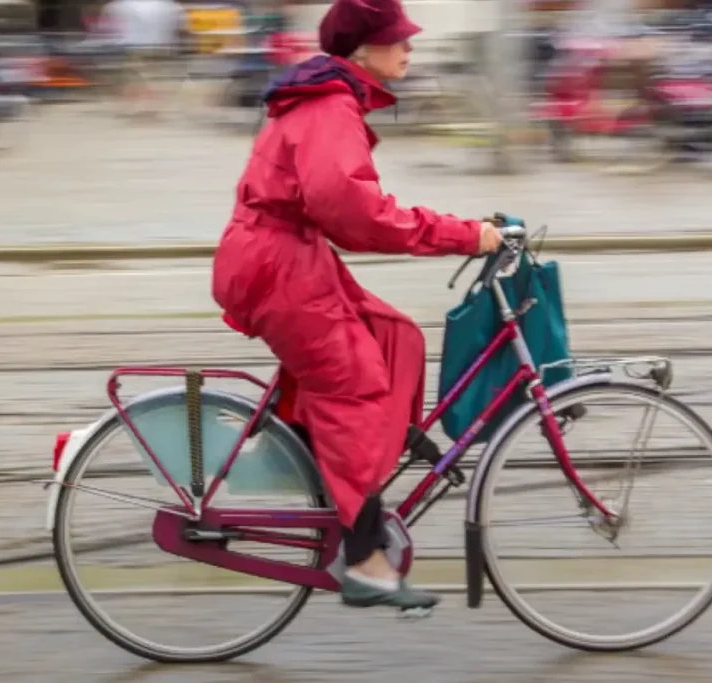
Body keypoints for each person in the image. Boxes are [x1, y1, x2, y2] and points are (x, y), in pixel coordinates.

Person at [211, 0, 503, 611]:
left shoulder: (328, 98)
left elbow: (346, 208)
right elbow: (356, 215)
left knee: (396, 337)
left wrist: (465, 228)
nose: (410, 48)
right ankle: (366, 558)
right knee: (356, 386)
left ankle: (345, 464)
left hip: (290, 259)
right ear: (363, 50)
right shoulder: (329, 105)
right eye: (398, 38)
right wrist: (461, 234)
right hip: (277, 267)